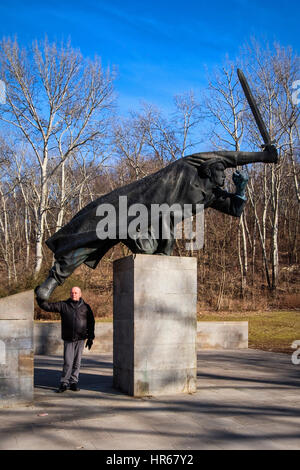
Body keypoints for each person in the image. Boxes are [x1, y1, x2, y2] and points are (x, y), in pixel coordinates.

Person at [35, 145, 278, 301]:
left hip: (155, 228)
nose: (224, 176)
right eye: (221, 171)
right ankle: (54, 279)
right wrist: (263, 157)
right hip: (135, 207)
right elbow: (231, 156)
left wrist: (242, 187)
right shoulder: (189, 166)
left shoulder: (211, 196)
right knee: (96, 229)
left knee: (147, 250)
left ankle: (58, 276)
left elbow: (235, 209)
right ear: (209, 170)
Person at [36, 286, 95, 393]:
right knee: (68, 362)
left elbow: (91, 322)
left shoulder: (86, 307)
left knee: (77, 362)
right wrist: (39, 298)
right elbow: (48, 306)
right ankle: (64, 382)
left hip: (80, 339)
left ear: (80, 294)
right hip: (68, 339)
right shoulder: (63, 305)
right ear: (70, 294)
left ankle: (73, 382)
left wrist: (91, 337)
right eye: (72, 293)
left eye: (76, 293)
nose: (74, 294)